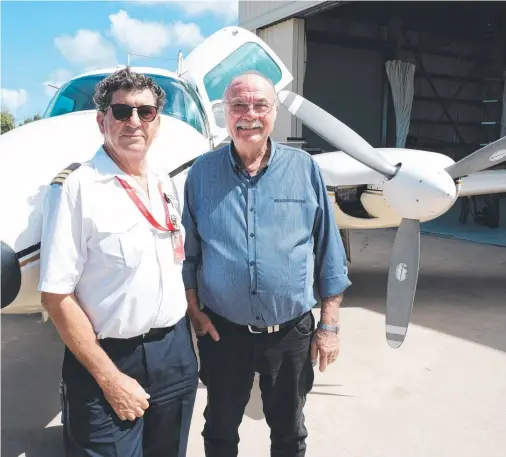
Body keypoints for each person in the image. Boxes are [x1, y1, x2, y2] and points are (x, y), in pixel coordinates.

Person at [181, 70, 352, 457]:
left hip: (290, 332)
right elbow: (188, 254)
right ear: (226, 112)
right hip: (223, 332)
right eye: (238, 104)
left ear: (275, 112)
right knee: (220, 428)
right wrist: (193, 311)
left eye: (260, 104)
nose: (249, 114)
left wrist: (329, 324)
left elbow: (329, 251)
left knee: (289, 431)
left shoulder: (305, 169)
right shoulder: (201, 173)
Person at [38, 68, 198, 457]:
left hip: (174, 352)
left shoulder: (164, 183)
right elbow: (56, 296)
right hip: (108, 356)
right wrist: (109, 378)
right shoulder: (77, 187)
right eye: (122, 111)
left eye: (145, 112)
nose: (134, 122)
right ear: (101, 120)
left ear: (157, 122)